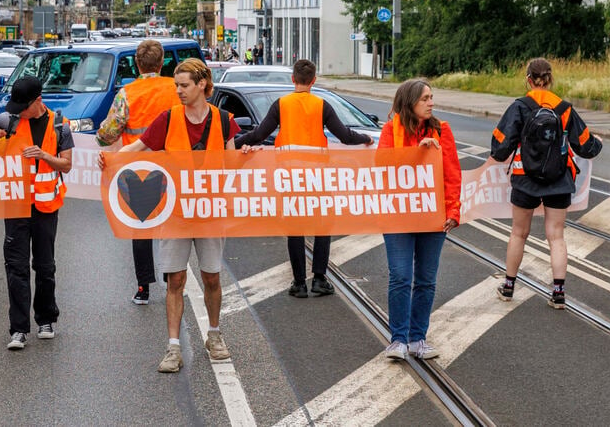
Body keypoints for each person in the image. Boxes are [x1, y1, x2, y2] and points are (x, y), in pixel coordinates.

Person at [101, 58, 240, 373]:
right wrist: (108, 161)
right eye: (176, 85)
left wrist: (246, 156)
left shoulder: (223, 120)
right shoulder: (167, 119)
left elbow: (233, 163)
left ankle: (214, 335)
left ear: (202, 84)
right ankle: (173, 347)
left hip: (209, 212)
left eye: (184, 85)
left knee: (212, 277)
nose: (178, 91)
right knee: (175, 278)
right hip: (175, 213)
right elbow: (136, 148)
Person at [236, 59, 373, 298]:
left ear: (292, 79)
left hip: (289, 177)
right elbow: (344, 136)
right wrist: (365, 138)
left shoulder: (281, 105)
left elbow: (259, 134)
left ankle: (299, 283)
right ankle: (319, 279)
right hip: (317, 176)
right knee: (323, 226)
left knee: (295, 227)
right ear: (313, 81)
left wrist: (230, 144)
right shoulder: (322, 105)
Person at [490, 58, 602, 309]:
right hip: (559, 180)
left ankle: (508, 288)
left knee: (519, 233)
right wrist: (599, 142)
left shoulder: (519, 106)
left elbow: (499, 148)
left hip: (525, 179)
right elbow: (586, 146)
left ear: (528, 79)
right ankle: (559, 293)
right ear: (550, 80)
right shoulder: (565, 108)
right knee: (556, 236)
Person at [0, 76, 74, 351]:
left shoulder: (60, 125)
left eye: (22, 105)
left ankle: (46, 319)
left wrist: (44, 156)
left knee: (44, 266)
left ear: (37, 101)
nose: (17, 110)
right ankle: (18, 329)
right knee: (15, 267)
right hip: (15, 205)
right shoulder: (10, 120)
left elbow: (66, 165)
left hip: (46, 206)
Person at [377, 79, 460, 361]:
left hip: (432, 216)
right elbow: (383, 167)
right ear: (410, 101)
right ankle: (398, 339)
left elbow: (451, 173)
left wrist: (453, 210)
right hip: (398, 215)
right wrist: (416, 153)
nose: (431, 102)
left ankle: (417, 338)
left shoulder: (441, 130)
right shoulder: (391, 130)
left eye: (432, 97)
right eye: (425, 98)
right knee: (400, 276)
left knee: (426, 279)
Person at [96, 39, 180, 305]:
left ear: (136, 63)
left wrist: (100, 139)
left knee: (141, 225)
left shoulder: (127, 94)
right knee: (171, 223)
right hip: (173, 165)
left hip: (139, 168)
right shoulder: (176, 89)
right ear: (163, 61)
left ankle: (143, 287)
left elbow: (109, 133)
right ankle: (172, 279)